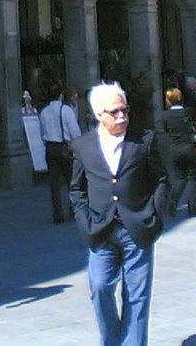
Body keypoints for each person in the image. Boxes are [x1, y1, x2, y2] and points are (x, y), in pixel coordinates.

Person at [70, 82, 170, 346]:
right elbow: (76, 189)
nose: (122, 117)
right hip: (100, 230)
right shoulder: (83, 146)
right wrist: (84, 220)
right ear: (98, 115)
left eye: (124, 110)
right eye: (114, 112)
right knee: (100, 287)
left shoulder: (143, 140)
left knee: (137, 295)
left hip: (137, 227)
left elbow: (161, 179)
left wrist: (155, 215)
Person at [39, 84, 82, 223]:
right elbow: (75, 132)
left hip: (50, 148)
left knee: (54, 183)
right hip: (64, 147)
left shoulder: (44, 111)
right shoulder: (66, 110)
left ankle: (57, 214)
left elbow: (42, 132)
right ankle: (73, 210)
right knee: (72, 181)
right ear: (61, 95)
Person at [163, 88, 196, 217]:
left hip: (175, 148)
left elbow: (166, 130)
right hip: (189, 147)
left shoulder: (165, 115)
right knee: (192, 177)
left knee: (180, 177)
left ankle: (173, 200)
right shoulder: (187, 112)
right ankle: (193, 207)